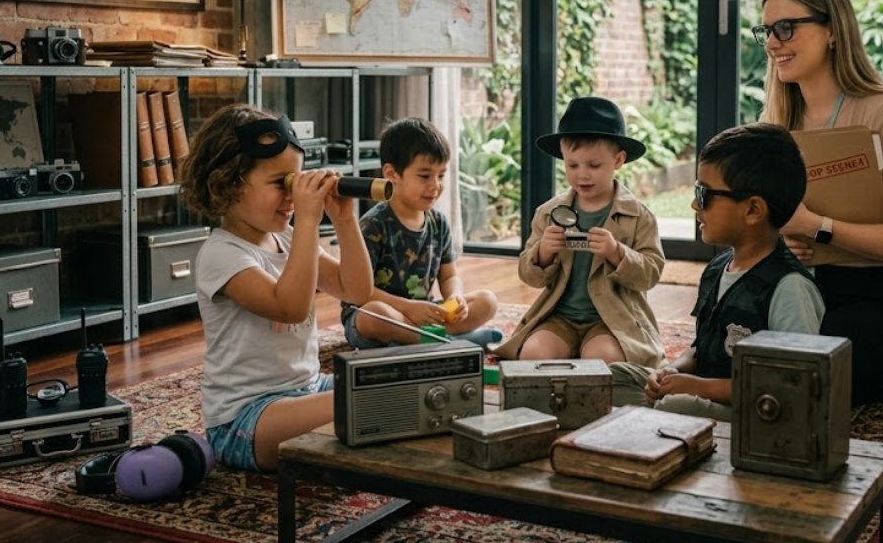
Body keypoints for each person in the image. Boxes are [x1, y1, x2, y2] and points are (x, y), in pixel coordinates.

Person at [756, 0, 883, 405]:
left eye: (786, 27)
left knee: (803, 375)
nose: (773, 42)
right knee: (734, 349)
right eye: (766, 30)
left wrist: (818, 226)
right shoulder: (775, 124)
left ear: (832, 30)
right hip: (799, 287)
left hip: (881, 295)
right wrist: (778, 238)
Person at [178, 104, 373, 472]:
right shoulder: (221, 254)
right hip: (245, 419)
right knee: (360, 402)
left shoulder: (285, 239)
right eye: (280, 184)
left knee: (388, 385)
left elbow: (356, 291)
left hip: (306, 390)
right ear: (229, 183)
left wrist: (345, 219)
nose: (291, 198)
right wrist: (310, 221)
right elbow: (291, 307)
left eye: (295, 183)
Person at [610, 123, 826, 421]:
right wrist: (672, 371)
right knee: (611, 376)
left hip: (755, 413)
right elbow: (701, 349)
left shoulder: (788, 288)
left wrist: (696, 388)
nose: (694, 204)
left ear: (752, 210)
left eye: (704, 194)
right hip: (703, 394)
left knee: (674, 407)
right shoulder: (716, 269)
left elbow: (790, 385)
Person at [495, 96, 665, 367]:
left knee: (602, 361)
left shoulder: (638, 216)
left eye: (593, 165)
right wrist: (542, 253)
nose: (582, 175)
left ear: (618, 160)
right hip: (559, 317)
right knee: (533, 356)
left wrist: (617, 252)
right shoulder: (549, 213)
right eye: (572, 165)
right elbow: (529, 276)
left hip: (611, 320)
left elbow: (651, 274)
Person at [341, 117, 501, 347]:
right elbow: (360, 293)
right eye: (425, 175)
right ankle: (450, 342)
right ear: (392, 174)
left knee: (487, 301)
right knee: (374, 315)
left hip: (421, 315)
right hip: (380, 315)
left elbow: (449, 275)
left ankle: (422, 341)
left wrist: (454, 297)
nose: (435, 185)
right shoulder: (373, 225)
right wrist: (408, 308)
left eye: (441, 175)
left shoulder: (439, 222)